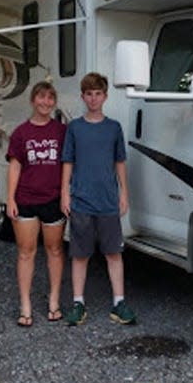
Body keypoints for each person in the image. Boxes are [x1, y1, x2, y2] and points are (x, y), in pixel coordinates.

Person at [60, 72, 135, 326]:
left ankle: (119, 302)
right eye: (89, 94)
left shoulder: (113, 128)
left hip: (107, 202)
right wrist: (64, 192)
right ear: (83, 97)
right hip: (81, 200)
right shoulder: (75, 128)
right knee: (80, 255)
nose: (93, 99)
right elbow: (68, 162)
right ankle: (78, 303)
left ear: (105, 96)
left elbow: (120, 162)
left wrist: (124, 192)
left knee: (114, 253)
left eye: (98, 94)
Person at [6, 81, 67, 327]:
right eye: (41, 97)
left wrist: (65, 194)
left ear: (54, 102)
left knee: (54, 250)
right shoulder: (21, 133)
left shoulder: (61, 131)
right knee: (26, 252)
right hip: (26, 199)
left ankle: (54, 301)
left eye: (51, 98)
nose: (46, 102)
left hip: (52, 199)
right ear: (33, 100)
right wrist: (10, 198)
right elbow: (15, 166)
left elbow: (67, 165)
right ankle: (25, 305)